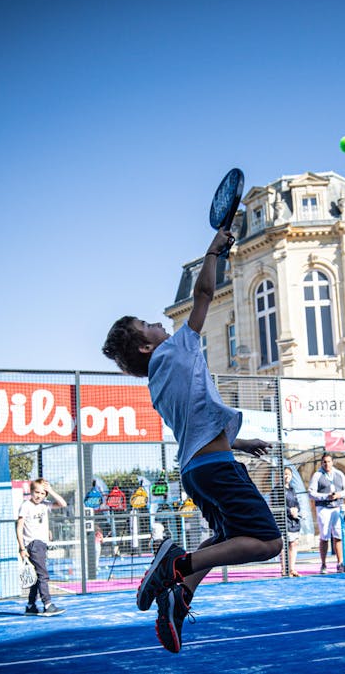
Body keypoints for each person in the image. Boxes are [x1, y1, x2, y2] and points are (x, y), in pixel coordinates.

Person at [102, 227, 282, 654]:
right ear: (146, 347)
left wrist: (238, 443)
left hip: (198, 470)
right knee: (269, 543)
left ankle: (178, 597)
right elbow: (203, 294)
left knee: (224, 538)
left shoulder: (159, 384)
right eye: (149, 325)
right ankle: (177, 566)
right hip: (215, 470)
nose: (159, 323)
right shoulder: (175, 350)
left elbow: (196, 425)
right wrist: (213, 250)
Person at [16, 478, 67, 616]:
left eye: (42, 493)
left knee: (36, 577)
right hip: (34, 544)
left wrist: (50, 490)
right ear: (31, 492)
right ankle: (48, 604)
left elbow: (63, 503)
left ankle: (31, 605)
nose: (39, 495)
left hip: (41, 544)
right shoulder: (26, 505)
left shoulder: (45, 504)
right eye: (36, 492)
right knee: (43, 575)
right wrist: (22, 548)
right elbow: (19, 527)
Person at [308, 453, 345, 573]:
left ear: (333, 462)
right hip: (323, 508)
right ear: (322, 463)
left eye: (329, 461)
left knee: (338, 535)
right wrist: (326, 497)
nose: (327, 464)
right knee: (324, 536)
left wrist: (338, 495)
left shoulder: (339, 474)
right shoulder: (317, 475)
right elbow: (311, 493)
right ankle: (323, 564)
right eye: (324, 462)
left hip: (337, 508)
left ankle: (340, 563)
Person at [283, 466, 302, 577]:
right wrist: (289, 510)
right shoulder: (278, 489)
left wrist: (296, 510)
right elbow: (277, 504)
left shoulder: (292, 489)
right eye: (285, 474)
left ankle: (292, 569)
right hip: (284, 521)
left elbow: (297, 503)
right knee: (284, 545)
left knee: (294, 543)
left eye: (289, 474)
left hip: (293, 521)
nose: (287, 476)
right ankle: (284, 569)